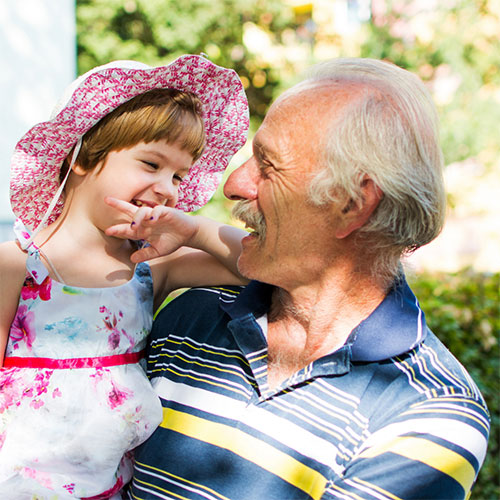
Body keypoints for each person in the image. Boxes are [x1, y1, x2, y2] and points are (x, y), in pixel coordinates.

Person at [126, 58, 490, 500]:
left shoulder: (431, 414)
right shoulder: (191, 315)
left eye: (267, 165)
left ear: (351, 203)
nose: (234, 184)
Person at [0, 55, 249, 498]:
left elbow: (257, 266)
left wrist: (196, 229)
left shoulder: (152, 266)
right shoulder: (16, 264)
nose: (168, 187)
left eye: (179, 175)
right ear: (81, 155)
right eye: (151, 165)